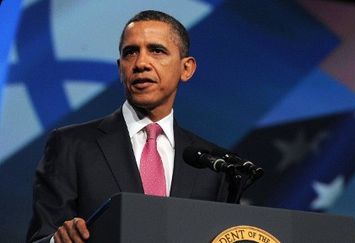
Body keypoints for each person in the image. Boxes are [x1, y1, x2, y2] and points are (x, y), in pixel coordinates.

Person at [27, 10, 229, 243]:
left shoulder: (214, 164)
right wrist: (58, 240)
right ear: (120, 67)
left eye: (157, 50)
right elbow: (40, 237)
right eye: (130, 52)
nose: (141, 63)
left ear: (186, 69)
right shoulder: (70, 145)